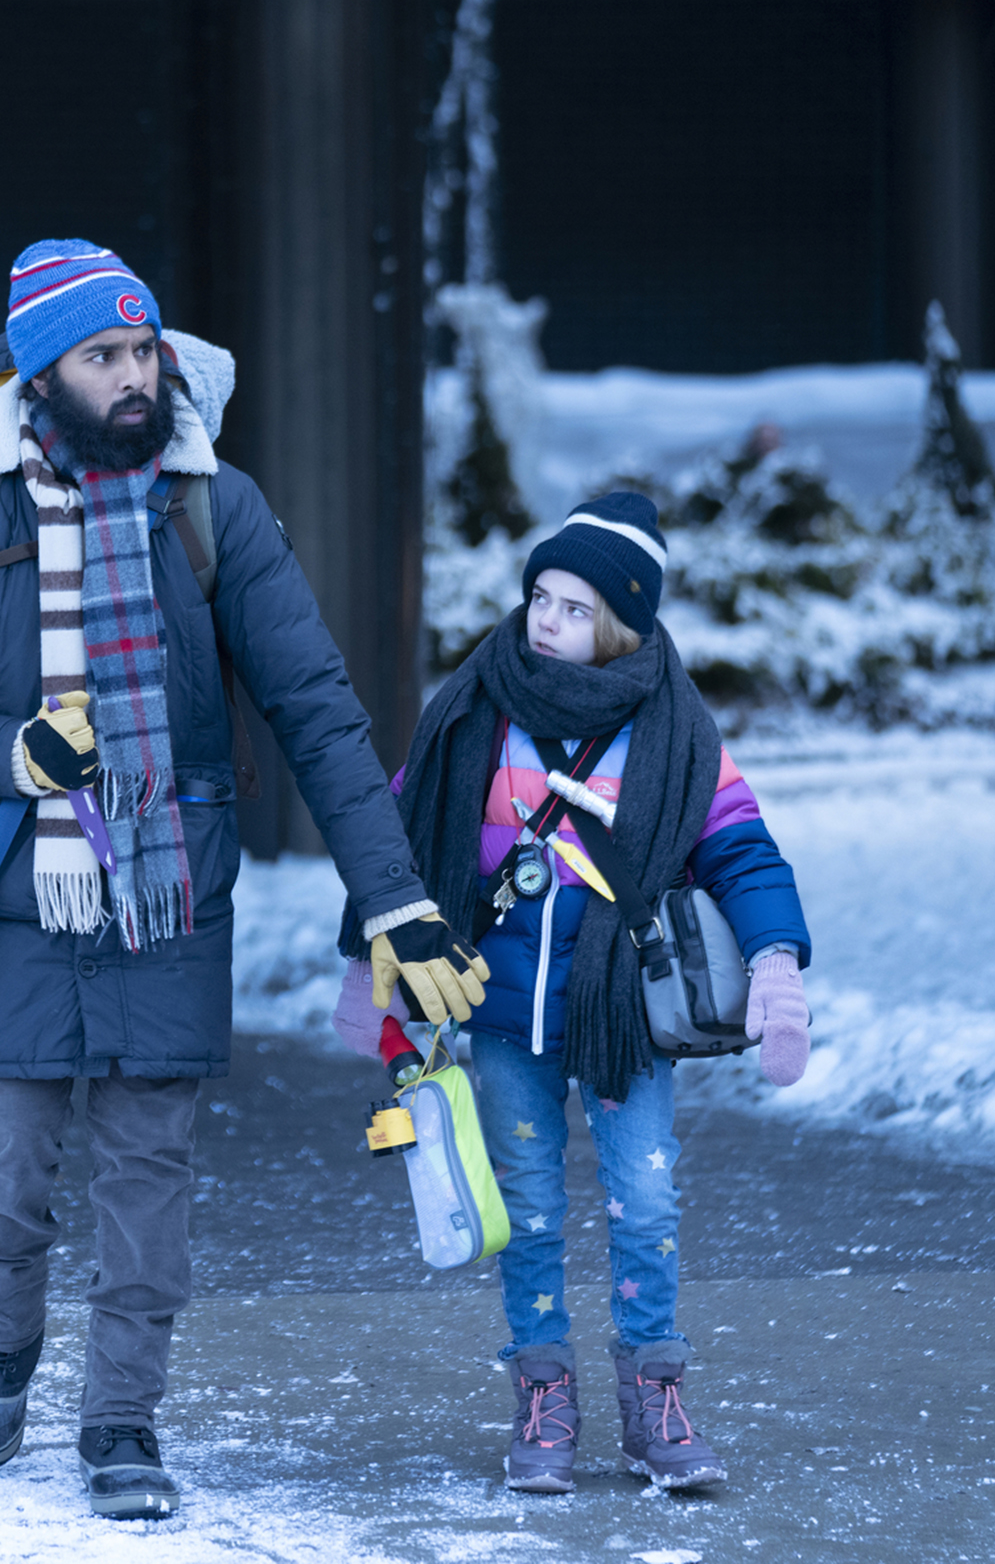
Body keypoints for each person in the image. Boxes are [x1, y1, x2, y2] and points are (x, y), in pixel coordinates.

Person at [0, 239, 489, 1520]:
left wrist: (395, 894)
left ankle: (122, 1420)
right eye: (104, 355)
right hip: (16, 890)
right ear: (46, 371)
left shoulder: (211, 503)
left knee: (149, 1169)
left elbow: (314, 705)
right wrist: (11, 750)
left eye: (145, 349)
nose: (136, 376)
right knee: (13, 1152)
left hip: (170, 892)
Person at [330, 491, 813, 1495]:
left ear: (620, 624)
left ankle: (655, 1398)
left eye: (572, 605)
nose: (543, 619)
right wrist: (364, 967)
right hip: (500, 1016)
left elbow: (740, 847)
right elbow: (398, 838)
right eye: (539, 595)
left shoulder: (675, 730)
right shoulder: (476, 707)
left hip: (621, 1021)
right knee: (530, 1211)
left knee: (644, 1200)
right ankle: (542, 1392)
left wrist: (774, 961)